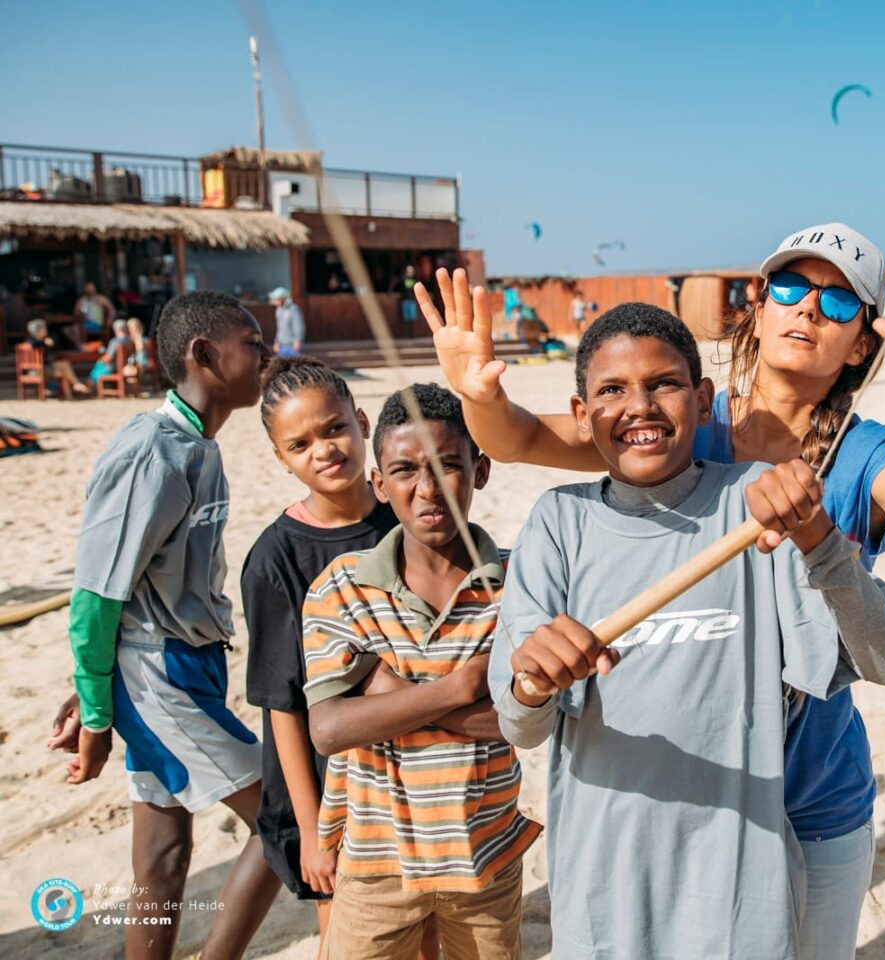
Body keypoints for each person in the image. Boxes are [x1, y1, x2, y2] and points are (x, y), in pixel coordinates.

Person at [420, 220, 885, 959]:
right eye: (793, 288)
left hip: (810, 789)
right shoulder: (675, 421)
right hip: (676, 788)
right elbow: (517, 439)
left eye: (839, 304)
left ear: (862, 342)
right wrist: (476, 391)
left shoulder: (864, 454)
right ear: (759, 305)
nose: (809, 309)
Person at [489, 303, 885, 958]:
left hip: (740, 888)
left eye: (663, 383)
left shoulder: (755, 502)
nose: (640, 406)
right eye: (611, 390)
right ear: (580, 414)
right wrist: (532, 680)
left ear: (702, 398)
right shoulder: (557, 524)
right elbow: (521, 724)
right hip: (603, 883)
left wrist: (819, 539)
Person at [52, 291, 281, 958]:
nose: (265, 355)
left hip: (183, 665)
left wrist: (97, 683)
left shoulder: (197, 446)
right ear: (205, 356)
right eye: (252, 342)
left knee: (162, 851)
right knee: (284, 816)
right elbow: (96, 596)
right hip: (162, 675)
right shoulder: (153, 453)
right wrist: (96, 712)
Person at [301, 383, 540, 959]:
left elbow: (523, 723)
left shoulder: (520, 583)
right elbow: (331, 728)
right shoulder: (341, 587)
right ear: (378, 483)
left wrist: (390, 698)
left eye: (448, 466)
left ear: (480, 471)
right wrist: (460, 686)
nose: (428, 489)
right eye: (405, 470)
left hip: (486, 854)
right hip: (374, 860)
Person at [242, 357, 440, 958]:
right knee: (352, 935)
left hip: (419, 775)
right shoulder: (274, 560)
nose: (323, 450)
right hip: (334, 796)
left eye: (333, 429)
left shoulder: (409, 516)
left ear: (360, 424)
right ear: (281, 458)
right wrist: (312, 832)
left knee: (427, 930)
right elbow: (284, 705)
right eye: (299, 444)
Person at [24, 318, 90, 396]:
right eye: (43, 328)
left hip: (44, 368)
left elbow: (53, 352)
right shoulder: (32, 342)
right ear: (38, 331)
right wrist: (44, 343)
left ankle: (70, 395)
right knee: (64, 364)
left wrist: (49, 344)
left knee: (63, 372)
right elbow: (36, 346)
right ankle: (76, 384)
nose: (46, 330)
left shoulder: (43, 341)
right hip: (37, 371)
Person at [89, 318, 135, 382]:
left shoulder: (115, 341)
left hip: (113, 369)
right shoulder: (131, 341)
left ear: (115, 329)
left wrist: (99, 361)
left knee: (95, 371)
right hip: (126, 366)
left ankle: (90, 389)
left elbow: (109, 357)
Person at [270, 287, 306, 357]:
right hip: (282, 346)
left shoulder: (293, 309)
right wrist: (276, 342)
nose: (274, 301)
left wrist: (298, 340)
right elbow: (279, 328)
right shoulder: (278, 310)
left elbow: (298, 326)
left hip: (293, 345)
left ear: (282, 298)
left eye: (276, 299)